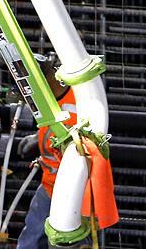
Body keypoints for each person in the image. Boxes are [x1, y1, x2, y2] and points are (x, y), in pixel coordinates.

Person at [16, 59, 118, 247]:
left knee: (69, 240)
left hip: (73, 192)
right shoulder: (55, 100)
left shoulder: (77, 108)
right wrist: (38, 139)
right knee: (31, 237)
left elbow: (79, 148)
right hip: (50, 186)